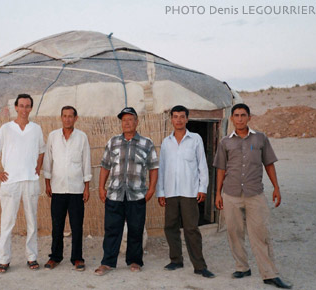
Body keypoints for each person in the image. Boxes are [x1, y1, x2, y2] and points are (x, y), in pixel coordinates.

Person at [213, 103, 292, 289]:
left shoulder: (260, 139)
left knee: (260, 234)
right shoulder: (225, 142)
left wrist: (276, 188)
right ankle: (242, 267)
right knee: (234, 232)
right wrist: (218, 193)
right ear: (231, 119)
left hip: (254, 193)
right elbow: (221, 169)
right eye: (236, 115)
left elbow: (269, 164)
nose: (239, 119)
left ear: (249, 117)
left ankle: (269, 273)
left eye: (243, 115)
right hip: (231, 194)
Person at [94, 107, 159, 276]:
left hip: (136, 194)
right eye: (124, 120)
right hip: (115, 194)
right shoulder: (113, 142)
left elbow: (153, 167)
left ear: (137, 122)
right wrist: (101, 187)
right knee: (112, 229)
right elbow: (105, 166)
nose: (127, 123)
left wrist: (151, 189)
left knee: (136, 229)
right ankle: (107, 263)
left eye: (130, 119)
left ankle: (135, 261)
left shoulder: (147, 143)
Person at [0, 94, 45, 274]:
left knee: (32, 222)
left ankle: (32, 257)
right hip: (10, 182)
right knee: (7, 222)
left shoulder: (36, 129)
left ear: (31, 108)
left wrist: (38, 167)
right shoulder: (6, 129)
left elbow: (42, 151)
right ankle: (4, 260)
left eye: (28, 106)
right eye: (21, 106)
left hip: (30, 181)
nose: (24, 109)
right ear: (16, 107)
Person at [156, 105, 215, 278]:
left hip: (189, 191)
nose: (179, 120)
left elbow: (202, 165)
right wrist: (161, 191)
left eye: (182, 116)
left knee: (191, 229)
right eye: (175, 117)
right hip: (171, 192)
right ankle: (176, 260)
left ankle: (199, 266)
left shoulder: (195, 139)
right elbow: (162, 168)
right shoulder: (167, 142)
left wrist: (202, 188)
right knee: (170, 226)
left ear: (187, 119)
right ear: (171, 119)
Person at [42, 105, 92, 271]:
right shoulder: (53, 136)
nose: (67, 119)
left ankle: (77, 258)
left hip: (77, 189)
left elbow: (86, 162)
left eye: (71, 116)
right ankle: (55, 257)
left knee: (77, 226)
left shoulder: (82, 137)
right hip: (57, 189)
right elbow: (48, 161)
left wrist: (86, 187)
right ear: (61, 117)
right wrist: (47, 183)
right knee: (57, 225)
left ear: (76, 118)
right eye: (64, 116)